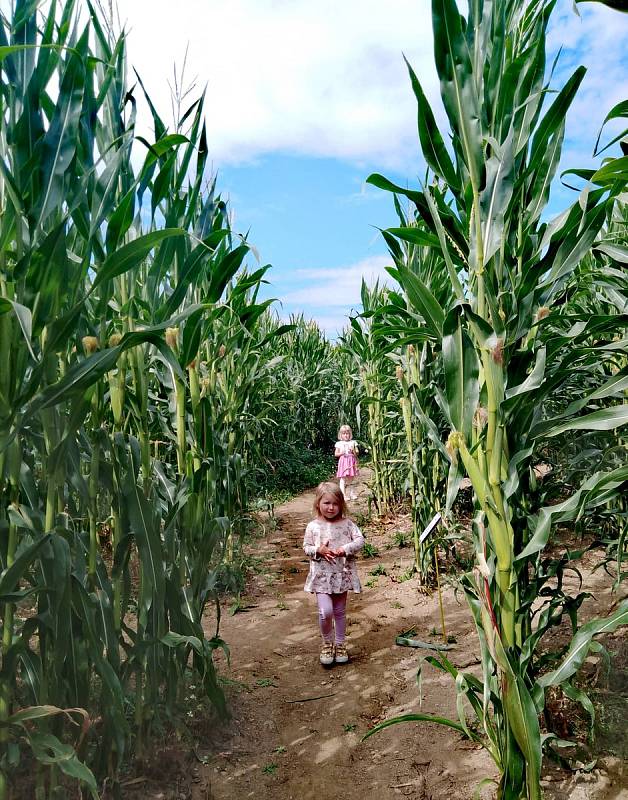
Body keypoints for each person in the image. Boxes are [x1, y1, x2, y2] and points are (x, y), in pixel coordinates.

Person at [303, 481, 365, 666]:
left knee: (339, 611)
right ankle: (327, 643)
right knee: (325, 611)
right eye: (326, 503)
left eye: (335, 504)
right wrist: (318, 550)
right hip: (321, 575)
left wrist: (344, 549)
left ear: (341, 504)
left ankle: (340, 644)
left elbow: (360, 541)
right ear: (318, 504)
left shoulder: (347, 524)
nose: (331, 507)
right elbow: (306, 547)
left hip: (341, 574)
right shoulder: (313, 526)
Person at [335, 424, 359, 500]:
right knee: (343, 478)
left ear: (350, 434)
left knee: (351, 478)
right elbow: (336, 454)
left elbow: (357, 453)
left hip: (351, 461)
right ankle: (343, 495)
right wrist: (341, 453)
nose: (346, 435)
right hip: (343, 462)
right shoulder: (339, 443)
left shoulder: (353, 442)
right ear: (341, 435)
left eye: (347, 433)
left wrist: (353, 450)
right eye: (344, 433)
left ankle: (352, 493)